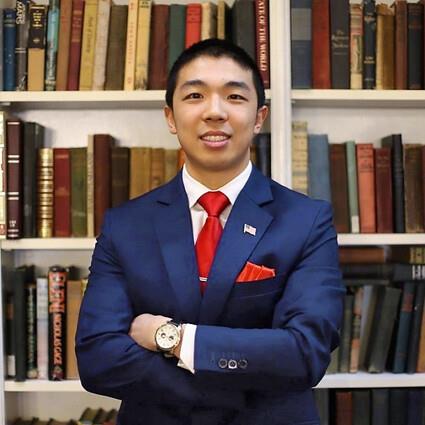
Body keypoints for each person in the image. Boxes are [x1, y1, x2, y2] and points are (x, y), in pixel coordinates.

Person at [76, 38, 344, 425]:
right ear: (171, 117)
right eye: (195, 95)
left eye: (234, 97)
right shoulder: (125, 224)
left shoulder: (307, 220)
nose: (215, 112)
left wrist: (173, 337)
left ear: (259, 117)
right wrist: (234, 391)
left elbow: (306, 352)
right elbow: (97, 357)